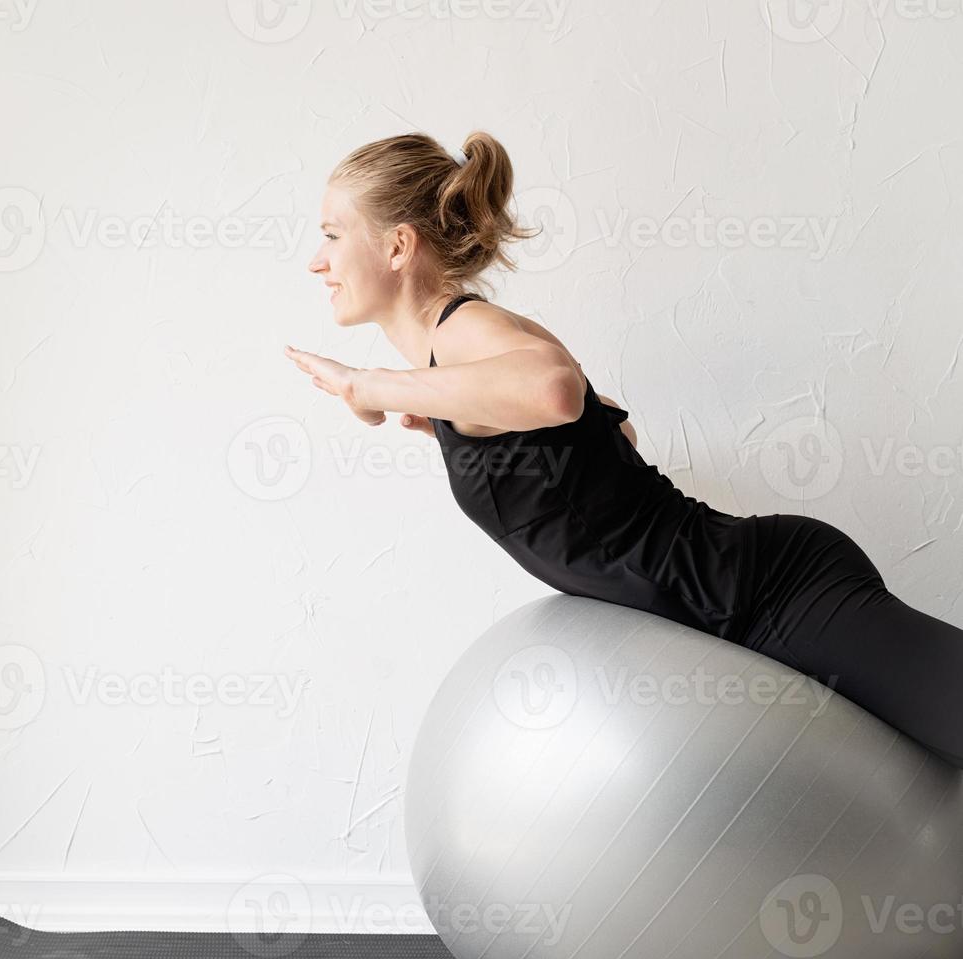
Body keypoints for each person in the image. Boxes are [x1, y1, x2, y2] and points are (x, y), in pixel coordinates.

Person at [289, 130, 962, 770]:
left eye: (331, 234)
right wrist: (471, 430)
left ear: (399, 246)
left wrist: (367, 384)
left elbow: (557, 392)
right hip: (735, 607)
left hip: (769, 592)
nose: (317, 259)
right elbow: (611, 430)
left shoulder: (466, 329)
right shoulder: (458, 359)